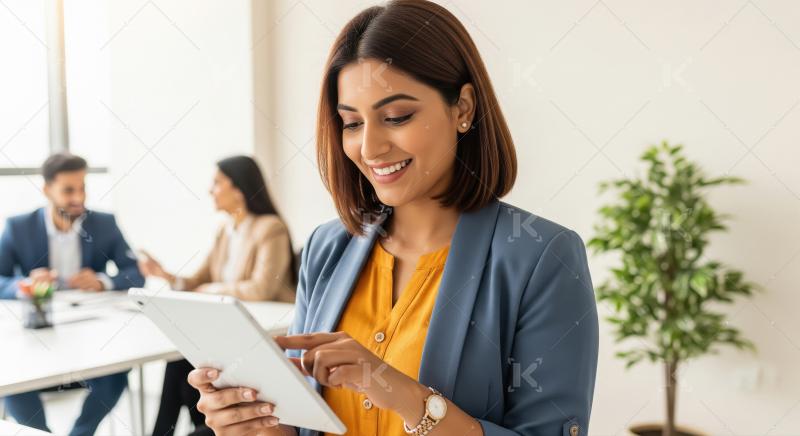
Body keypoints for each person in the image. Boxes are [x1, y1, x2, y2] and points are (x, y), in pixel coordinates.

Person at [187, 1, 599, 435]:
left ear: (463, 108)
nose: (369, 148)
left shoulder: (541, 258)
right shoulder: (326, 249)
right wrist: (253, 420)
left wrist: (397, 391)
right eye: (351, 123)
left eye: (397, 117)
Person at [138, 155, 296, 436]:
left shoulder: (270, 228)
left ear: (239, 189)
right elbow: (200, 279)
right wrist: (166, 275)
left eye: (216, 183)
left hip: (266, 330)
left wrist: (211, 290)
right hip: (232, 327)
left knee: (184, 360)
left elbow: (262, 288)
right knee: (179, 357)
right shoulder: (225, 229)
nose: (210, 191)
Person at [0, 153, 144, 435]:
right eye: (69, 190)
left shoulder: (104, 223)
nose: (79, 197)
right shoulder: (19, 227)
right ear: (47, 190)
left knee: (118, 371)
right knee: (9, 375)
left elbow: (135, 273)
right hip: (38, 335)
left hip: (92, 336)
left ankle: (82, 432)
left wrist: (103, 281)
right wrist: (24, 284)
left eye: (83, 188)